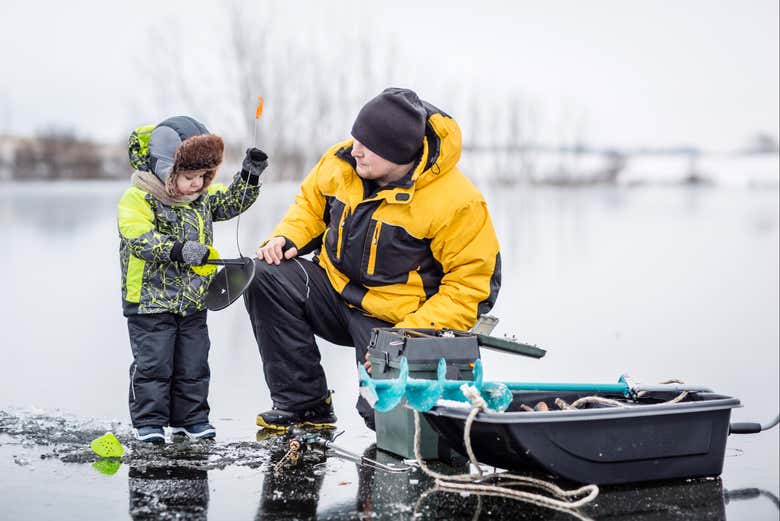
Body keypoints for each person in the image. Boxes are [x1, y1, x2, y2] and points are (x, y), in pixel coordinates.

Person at [244, 88, 501, 430]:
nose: (355, 149)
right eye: (356, 137)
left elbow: (471, 288)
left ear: (399, 153)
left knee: (385, 422)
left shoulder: (458, 202)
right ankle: (304, 405)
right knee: (264, 275)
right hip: (333, 293)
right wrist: (286, 236)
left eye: (369, 145)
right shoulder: (342, 162)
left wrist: (411, 335)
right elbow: (309, 205)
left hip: (396, 320)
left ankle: (394, 412)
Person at [118, 115, 268, 443]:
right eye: (189, 177)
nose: (197, 185)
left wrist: (249, 176)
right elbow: (139, 238)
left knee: (193, 365)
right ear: (164, 169)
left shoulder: (199, 199)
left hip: (193, 301)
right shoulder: (139, 199)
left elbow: (231, 203)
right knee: (154, 365)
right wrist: (181, 250)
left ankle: (193, 419)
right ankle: (148, 422)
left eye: (204, 176)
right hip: (149, 303)